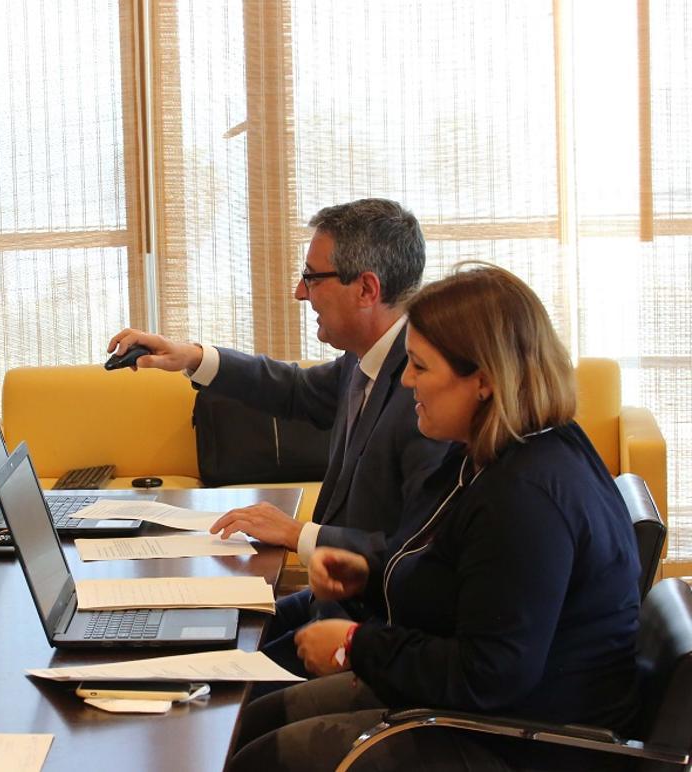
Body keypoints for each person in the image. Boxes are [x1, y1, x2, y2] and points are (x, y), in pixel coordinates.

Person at [225, 265, 641, 772]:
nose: (405, 381)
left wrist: (358, 643)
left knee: (261, 760)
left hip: (526, 742)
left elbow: (488, 674)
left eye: (420, 367)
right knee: (251, 720)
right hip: (493, 713)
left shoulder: (526, 497)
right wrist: (369, 577)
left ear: (484, 380)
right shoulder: (500, 451)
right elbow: (461, 581)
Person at [108, 198, 448, 674]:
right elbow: (297, 391)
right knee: (188, 648)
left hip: (366, 632)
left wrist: (296, 533)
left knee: (213, 690)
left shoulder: (429, 397)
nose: (299, 292)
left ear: (367, 288)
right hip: (332, 607)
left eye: (312, 277)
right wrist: (190, 357)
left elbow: (416, 553)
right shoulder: (368, 357)